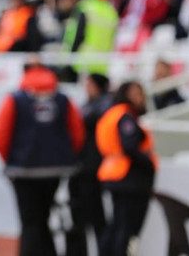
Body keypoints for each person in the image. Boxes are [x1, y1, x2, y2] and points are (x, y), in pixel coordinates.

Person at [0, 64, 85, 256]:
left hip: (23, 170)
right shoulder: (62, 99)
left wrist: (11, 160)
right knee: (43, 217)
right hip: (55, 170)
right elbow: (77, 133)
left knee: (29, 221)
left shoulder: (15, 99)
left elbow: (0, 133)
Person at [96, 81, 157, 256]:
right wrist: (148, 164)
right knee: (125, 229)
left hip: (115, 175)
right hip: (128, 178)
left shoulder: (114, 113)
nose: (141, 98)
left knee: (117, 225)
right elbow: (130, 146)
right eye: (137, 93)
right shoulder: (125, 116)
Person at [66, 74, 113, 256]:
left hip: (93, 167)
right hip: (81, 165)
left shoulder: (105, 104)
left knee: (96, 215)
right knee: (80, 216)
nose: (87, 88)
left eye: (90, 84)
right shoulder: (88, 105)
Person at [62, 0, 119, 80]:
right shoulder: (110, 10)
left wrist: (69, 58)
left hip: (84, 61)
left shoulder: (85, 7)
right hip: (103, 63)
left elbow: (78, 35)